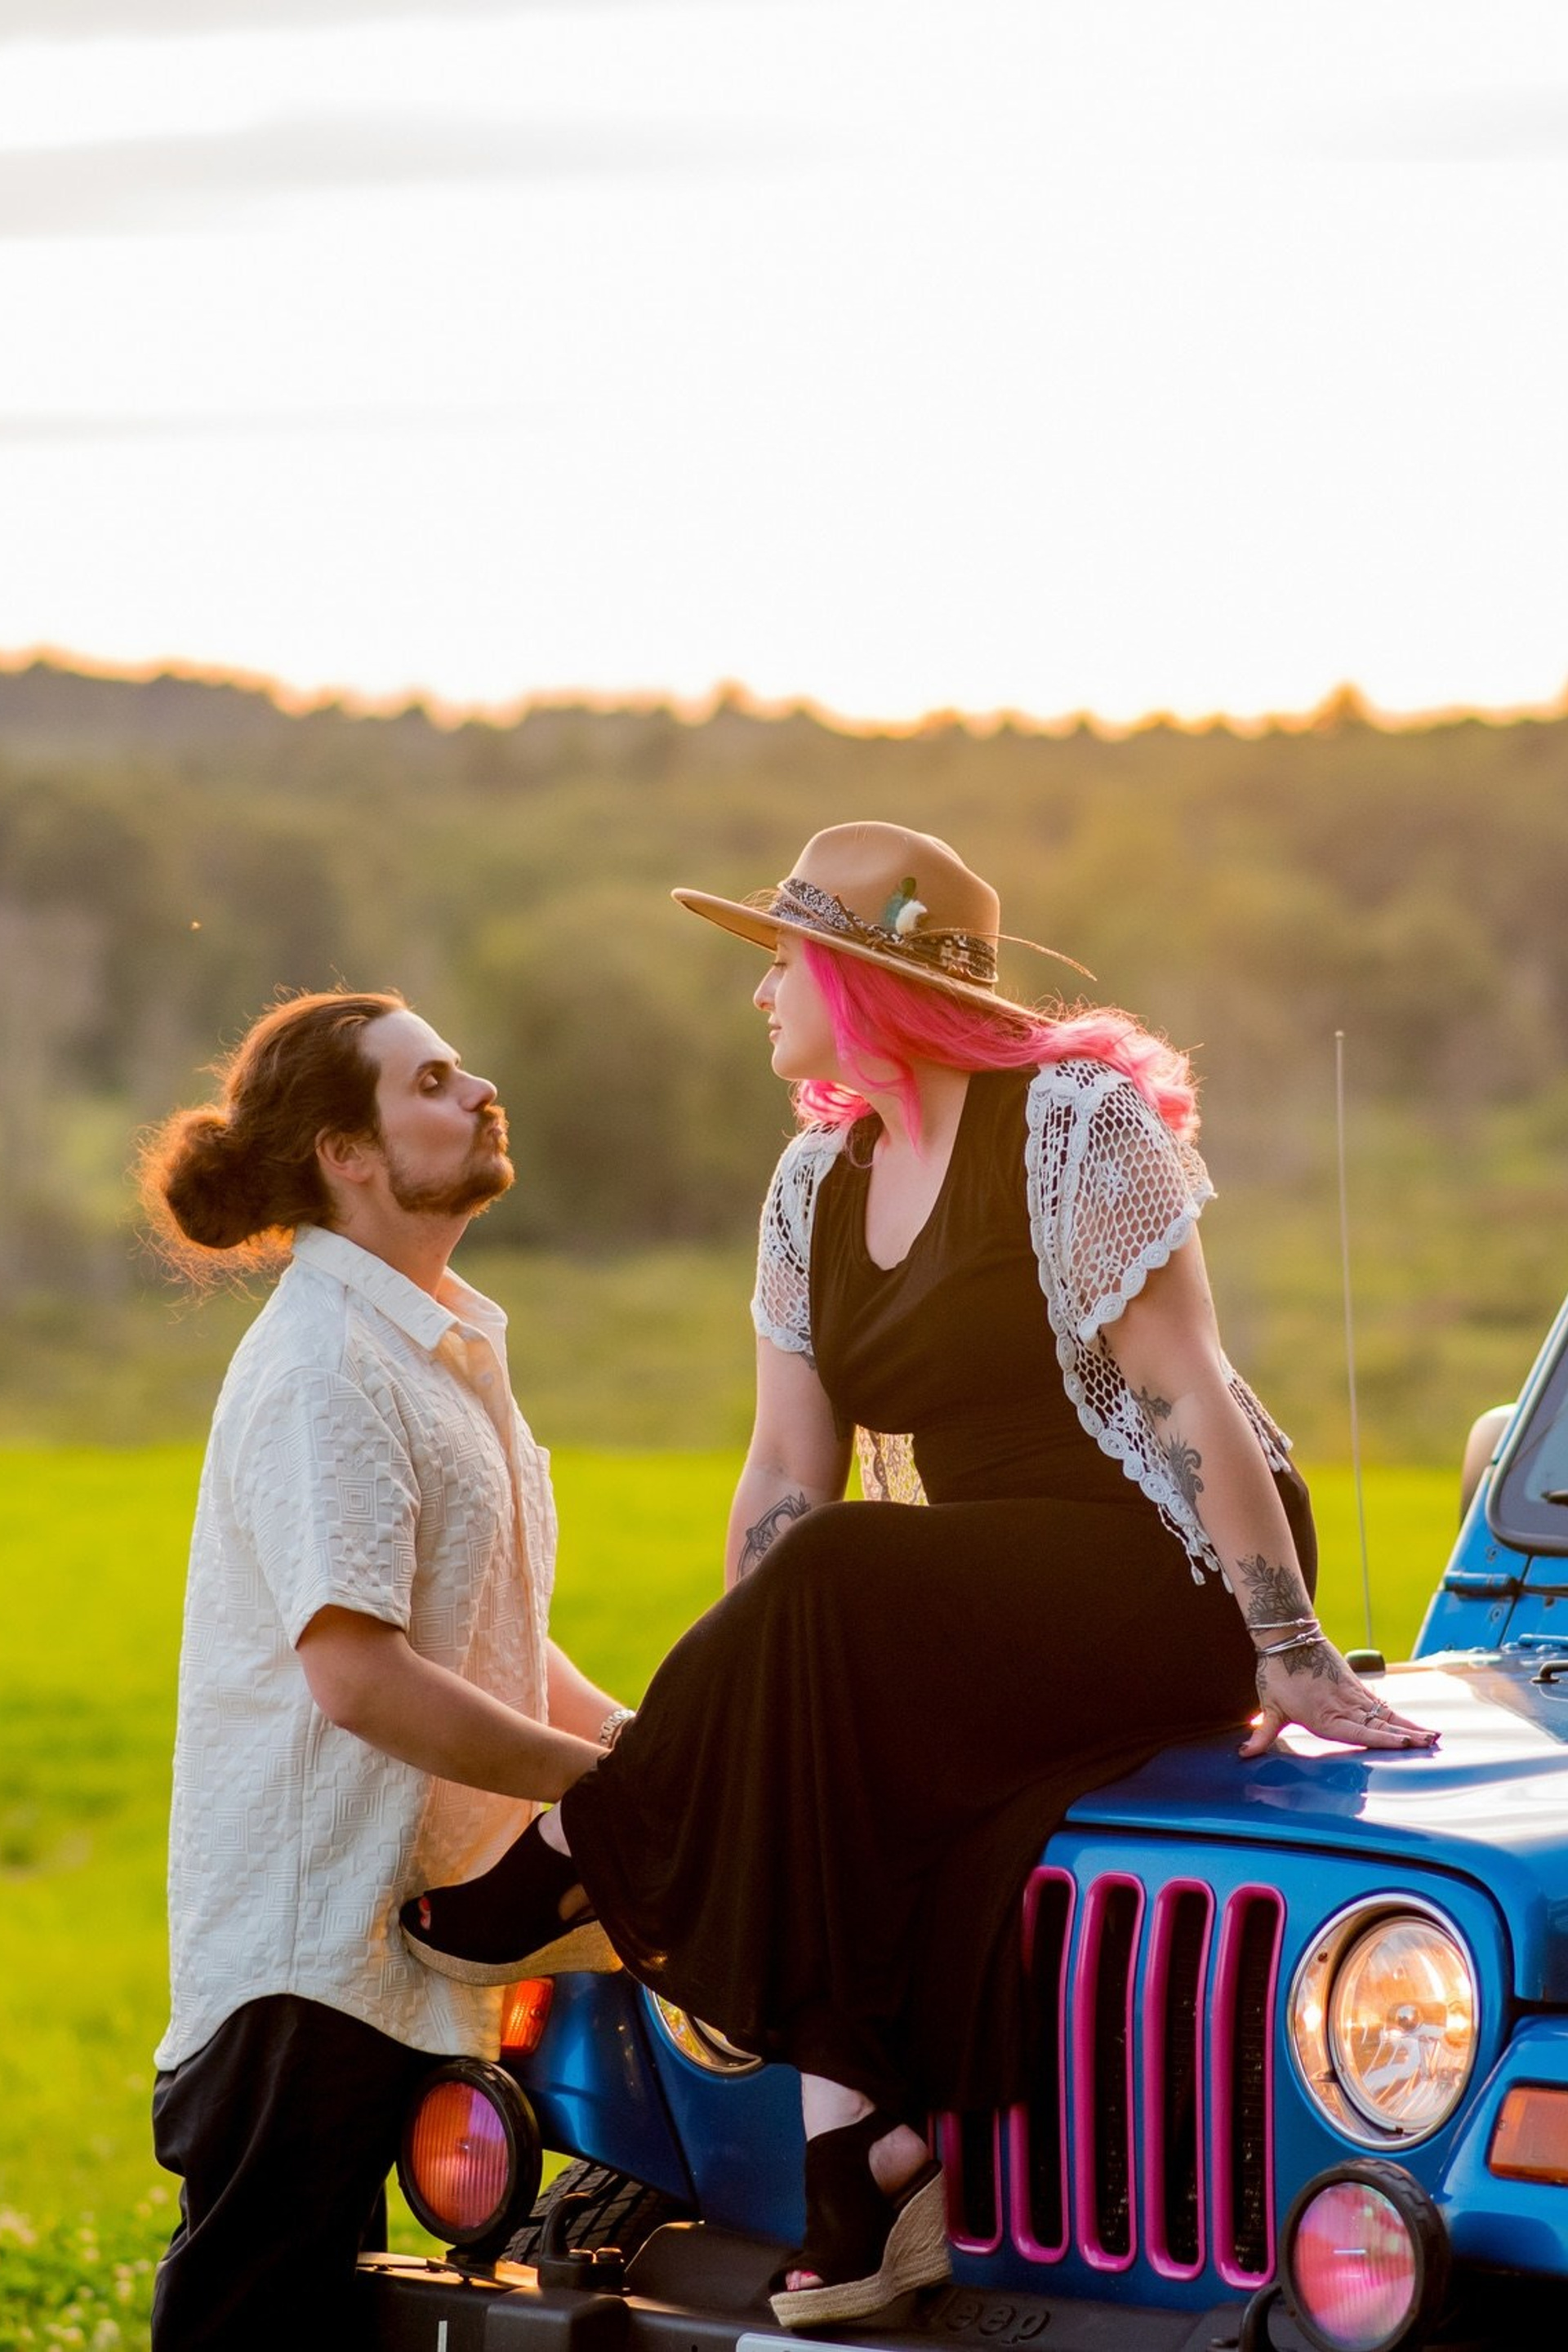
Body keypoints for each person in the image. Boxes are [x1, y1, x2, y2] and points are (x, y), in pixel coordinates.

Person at [401, 824, 1437, 2332]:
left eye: (781, 962)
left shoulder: (1073, 1123)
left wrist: (1284, 1639)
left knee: (842, 1577)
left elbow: (1193, 1393)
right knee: (829, 1734)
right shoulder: (814, 1184)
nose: (762, 996)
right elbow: (783, 1473)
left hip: (1161, 1556)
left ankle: (584, 1840)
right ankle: (865, 2168)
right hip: (956, 1595)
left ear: (863, 976)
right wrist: (755, 1710)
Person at [138, 988, 629, 2352]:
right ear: (346, 1155)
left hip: (393, 1944)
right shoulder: (326, 1362)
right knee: (257, 2322)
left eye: (465, 1070)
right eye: (430, 1083)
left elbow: (483, 1631)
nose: (479, 1092)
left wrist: (638, 1743)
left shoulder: (435, 1344)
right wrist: (595, 1790)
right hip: (310, 1959)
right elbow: (358, 1676)